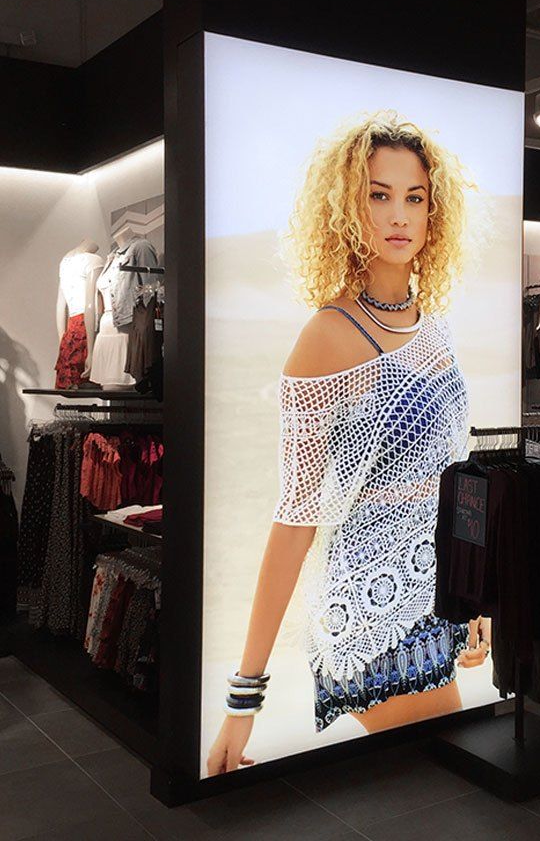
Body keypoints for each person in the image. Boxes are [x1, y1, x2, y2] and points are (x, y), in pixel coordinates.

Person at [207, 111, 490, 776]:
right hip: (371, 615)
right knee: (449, 791)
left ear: (433, 212)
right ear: (345, 207)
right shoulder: (327, 337)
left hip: (438, 599)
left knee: (436, 800)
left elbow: (459, 478)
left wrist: (478, 603)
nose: (398, 214)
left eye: (413, 197)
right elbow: (294, 518)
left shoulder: (435, 327)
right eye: (377, 194)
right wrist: (243, 695)